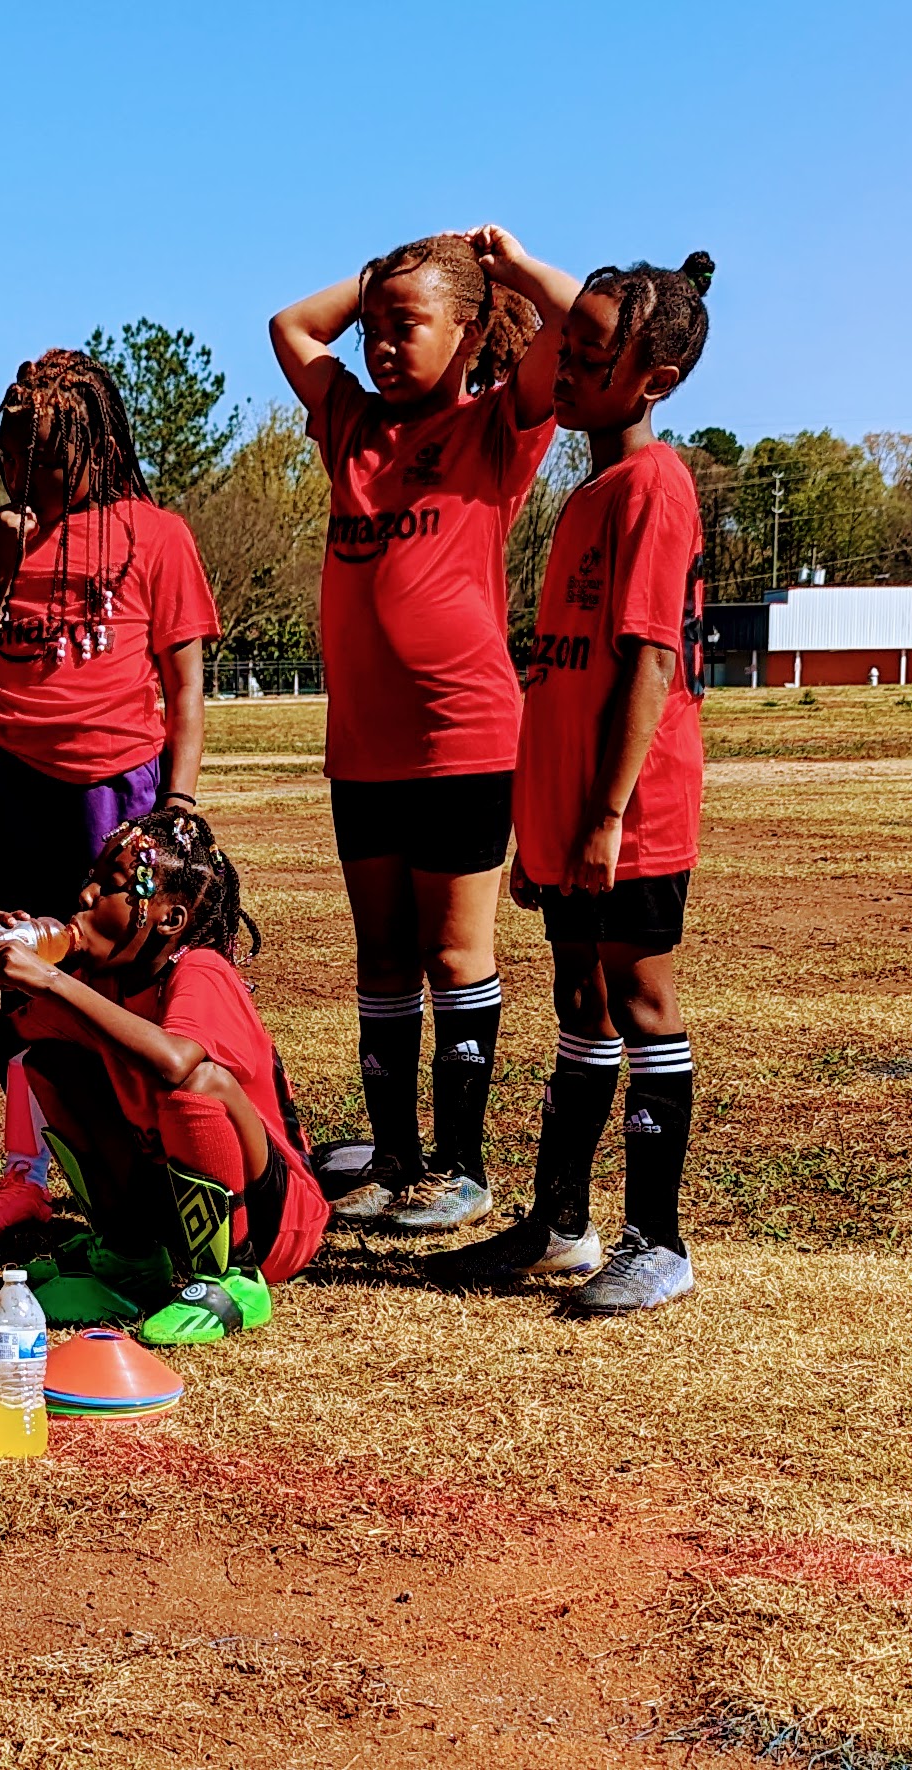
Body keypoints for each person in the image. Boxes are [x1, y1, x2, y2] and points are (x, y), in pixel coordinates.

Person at [268, 231, 568, 1236]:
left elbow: (572, 328)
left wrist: (509, 264)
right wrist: (375, 282)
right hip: (363, 746)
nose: (383, 346)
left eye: (410, 326)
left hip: (462, 739)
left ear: (470, 333)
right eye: (377, 330)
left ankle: (460, 1164)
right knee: (381, 958)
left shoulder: (494, 427)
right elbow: (289, 327)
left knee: (453, 954)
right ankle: (392, 1158)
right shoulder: (348, 424)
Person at [434, 247, 716, 1316]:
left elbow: (649, 659)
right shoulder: (591, 489)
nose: (572, 362)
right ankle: (560, 1224)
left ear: (656, 377)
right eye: (577, 343)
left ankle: (659, 1239)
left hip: (628, 813)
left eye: (595, 350)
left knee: (642, 1004)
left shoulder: (655, 484)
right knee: (580, 1001)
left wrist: (602, 818)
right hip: (563, 811)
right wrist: (536, 828)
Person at [0, 349, 219, 1239]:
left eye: (49, 458)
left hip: (119, 783)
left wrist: (176, 801)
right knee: (18, 963)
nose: (29, 474)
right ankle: (28, 1168)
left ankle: (141, 1161)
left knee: (114, 973)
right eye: (14, 455)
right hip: (11, 773)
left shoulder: (155, 534)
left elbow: (184, 688)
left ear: (94, 450)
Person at [0, 806, 327, 1343]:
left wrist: (53, 983)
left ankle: (232, 1281)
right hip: (180, 1203)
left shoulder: (199, 969)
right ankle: (129, 1256)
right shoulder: (95, 979)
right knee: (52, 1062)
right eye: (92, 878)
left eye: (111, 887)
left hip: (274, 1222)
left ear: (169, 920)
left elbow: (177, 1063)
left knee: (199, 1086)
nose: (85, 895)